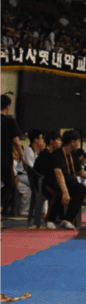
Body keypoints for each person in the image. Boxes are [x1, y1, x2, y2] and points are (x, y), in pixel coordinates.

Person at [48, 129, 86, 229]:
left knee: (81, 189)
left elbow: (80, 171)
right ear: (72, 142)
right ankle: (50, 219)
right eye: (78, 140)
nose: (78, 143)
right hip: (54, 181)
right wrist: (65, 191)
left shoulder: (74, 154)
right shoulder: (57, 154)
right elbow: (58, 173)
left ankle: (68, 219)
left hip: (69, 181)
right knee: (59, 191)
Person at [0, 94, 24, 224]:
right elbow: (16, 140)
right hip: (4, 160)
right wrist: (21, 155)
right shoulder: (10, 121)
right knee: (9, 184)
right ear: (8, 107)